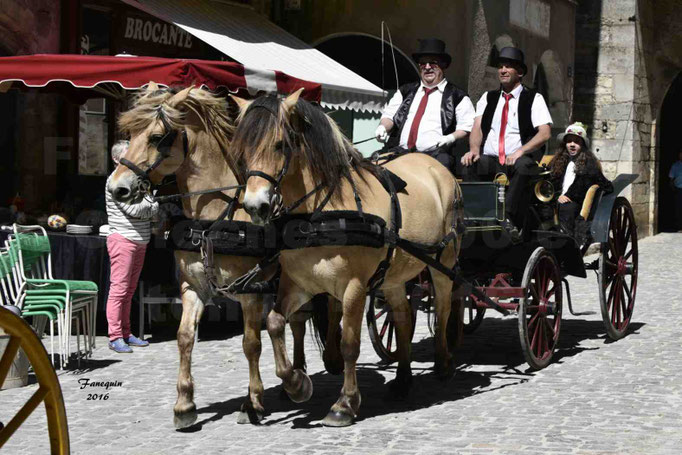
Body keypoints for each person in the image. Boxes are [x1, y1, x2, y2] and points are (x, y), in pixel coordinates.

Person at [461, 47, 553, 241]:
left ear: (519, 72)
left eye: (508, 67)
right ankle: (474, 217)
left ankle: (507, 217)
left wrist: (521, 151)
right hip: (493, 159)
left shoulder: (533, 98)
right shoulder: (488, 97)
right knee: (471, 164)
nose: (502, 70)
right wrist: (474, 150)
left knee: (524, 166)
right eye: (500, 66)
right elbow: (477, 127)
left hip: (518, 160)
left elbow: (544, 133)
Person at [375, 38, 475, 172]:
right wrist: (382, 127)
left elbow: (467, 126)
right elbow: (389, 116)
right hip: (401, 152)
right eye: (423, 63)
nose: (427, 67)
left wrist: (451, 137)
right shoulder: (405, 91)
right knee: (373, 166)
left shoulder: (458, 96)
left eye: (433, 63)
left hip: (435, 155)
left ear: (443, 65)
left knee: (441, 172)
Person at [105, 140, 158, 353]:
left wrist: (150, 205)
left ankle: (127, 333)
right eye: (128, 156)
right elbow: (138, 210)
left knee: (129, 291)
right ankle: (115, 336)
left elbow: (151, 207)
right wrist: (151, 205)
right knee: (119, 290)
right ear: (117, 159)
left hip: (140, 241)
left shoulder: (137, 180)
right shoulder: (116, 182)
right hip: (123, 240)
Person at [548, 123, 613, 237]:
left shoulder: (589, 164)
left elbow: (584, 184)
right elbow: (550, 181)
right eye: (569, 141)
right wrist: (556, 196)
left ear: (582, 145)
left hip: (574, 201)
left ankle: (567, 242)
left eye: (576, 142)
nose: (572, 145)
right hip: (556, 198)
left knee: (566, 209)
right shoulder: (557, 161)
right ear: (565, 144)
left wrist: (567, 196)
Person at [669, 150, 682, 232]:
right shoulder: (675, 166)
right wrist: (673, 189)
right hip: (679, 189)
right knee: (678, 208)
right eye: (681, 155)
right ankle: (679, 227)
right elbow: (671, 179)